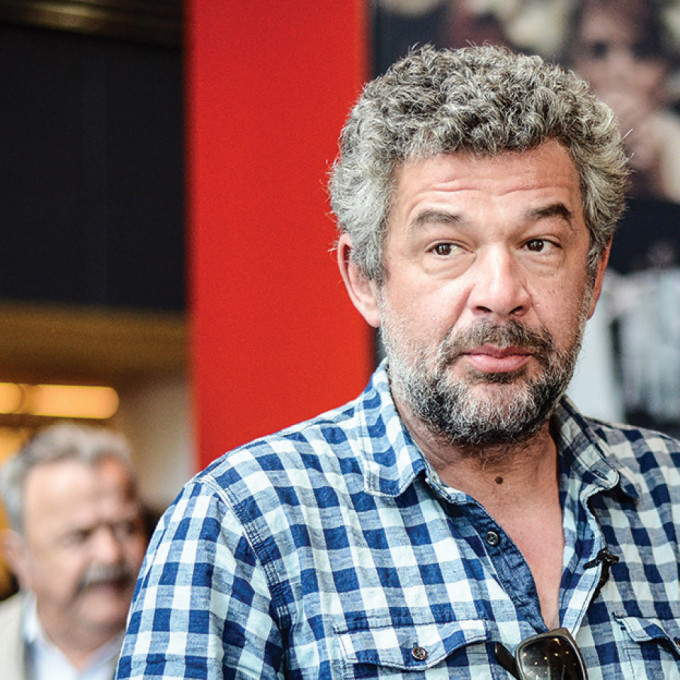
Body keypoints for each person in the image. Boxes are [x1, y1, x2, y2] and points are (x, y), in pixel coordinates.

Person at [117, 45, 680, 679]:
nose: (500, 292)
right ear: (365, 278)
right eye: (446, 247)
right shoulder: (243, 524)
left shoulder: (672, 496)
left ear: (594, 275)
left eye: (539, 243)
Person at [0, 422, 148, 680]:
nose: (110, 553)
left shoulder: (196, 642)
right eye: (79, 536)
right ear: (19, 558)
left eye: (125, 528)